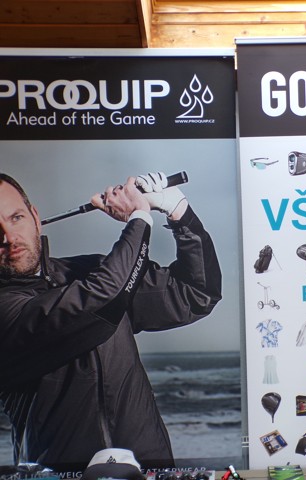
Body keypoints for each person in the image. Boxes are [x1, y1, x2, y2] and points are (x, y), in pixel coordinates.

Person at [0, 172, 222, 470]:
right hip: (62, 475)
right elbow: (102, 298)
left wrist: (178, 213)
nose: (9, 238)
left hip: (148, 468)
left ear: (35, 218)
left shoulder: (90, 270)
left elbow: (195, 294)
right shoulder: (6, 307)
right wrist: (139, 217)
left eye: (16, 218)